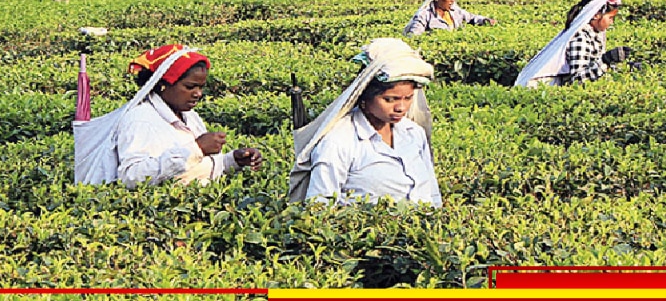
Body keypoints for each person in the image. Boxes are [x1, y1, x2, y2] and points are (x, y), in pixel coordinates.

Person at [290, 38, 441, 206]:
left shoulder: (414, 133)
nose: (401, 107)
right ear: (365, 96)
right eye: (390, 99)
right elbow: (319, 205)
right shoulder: (338, 141)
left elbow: (432, 193)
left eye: (408, 98)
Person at [113, 44, 263, 188]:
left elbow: (196, 168)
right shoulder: (141, 120)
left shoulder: (189, 115)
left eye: (201, 87)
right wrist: (197, 149)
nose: (198, 94)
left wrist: (233, 160)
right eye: (190, 87)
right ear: (162, 85)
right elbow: (132, 177)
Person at [515, 0, 633, 87]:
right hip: (542, 90)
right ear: (596, 15)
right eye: (610, 17)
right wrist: (606, 60)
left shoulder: (593, 35)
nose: (612, 22)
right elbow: (578, 80)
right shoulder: (581, 38)